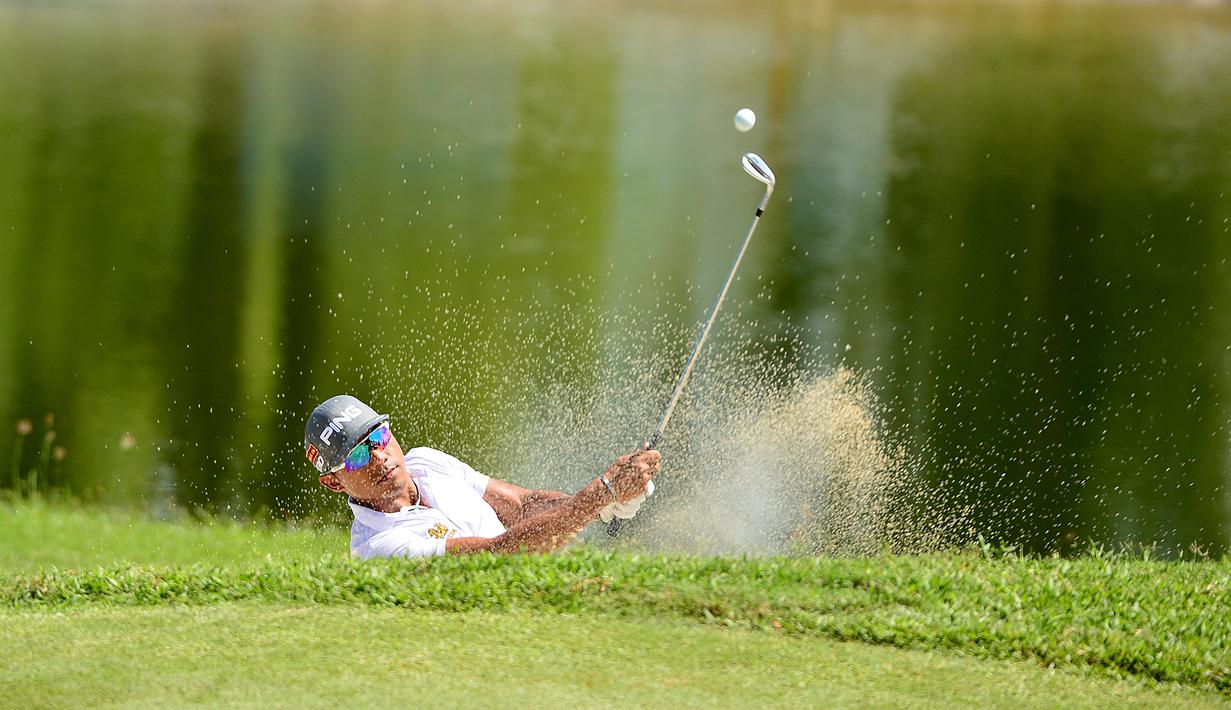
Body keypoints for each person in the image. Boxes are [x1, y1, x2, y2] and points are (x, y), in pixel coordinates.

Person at [304, 395, 660, 558]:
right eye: (358, 455)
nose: (379, 456)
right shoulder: (376, 546)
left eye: (379, 437)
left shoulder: (425, 461)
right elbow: (496, 553)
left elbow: (522, 506)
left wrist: (603, 508)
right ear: (333, 481)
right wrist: (600, 493)